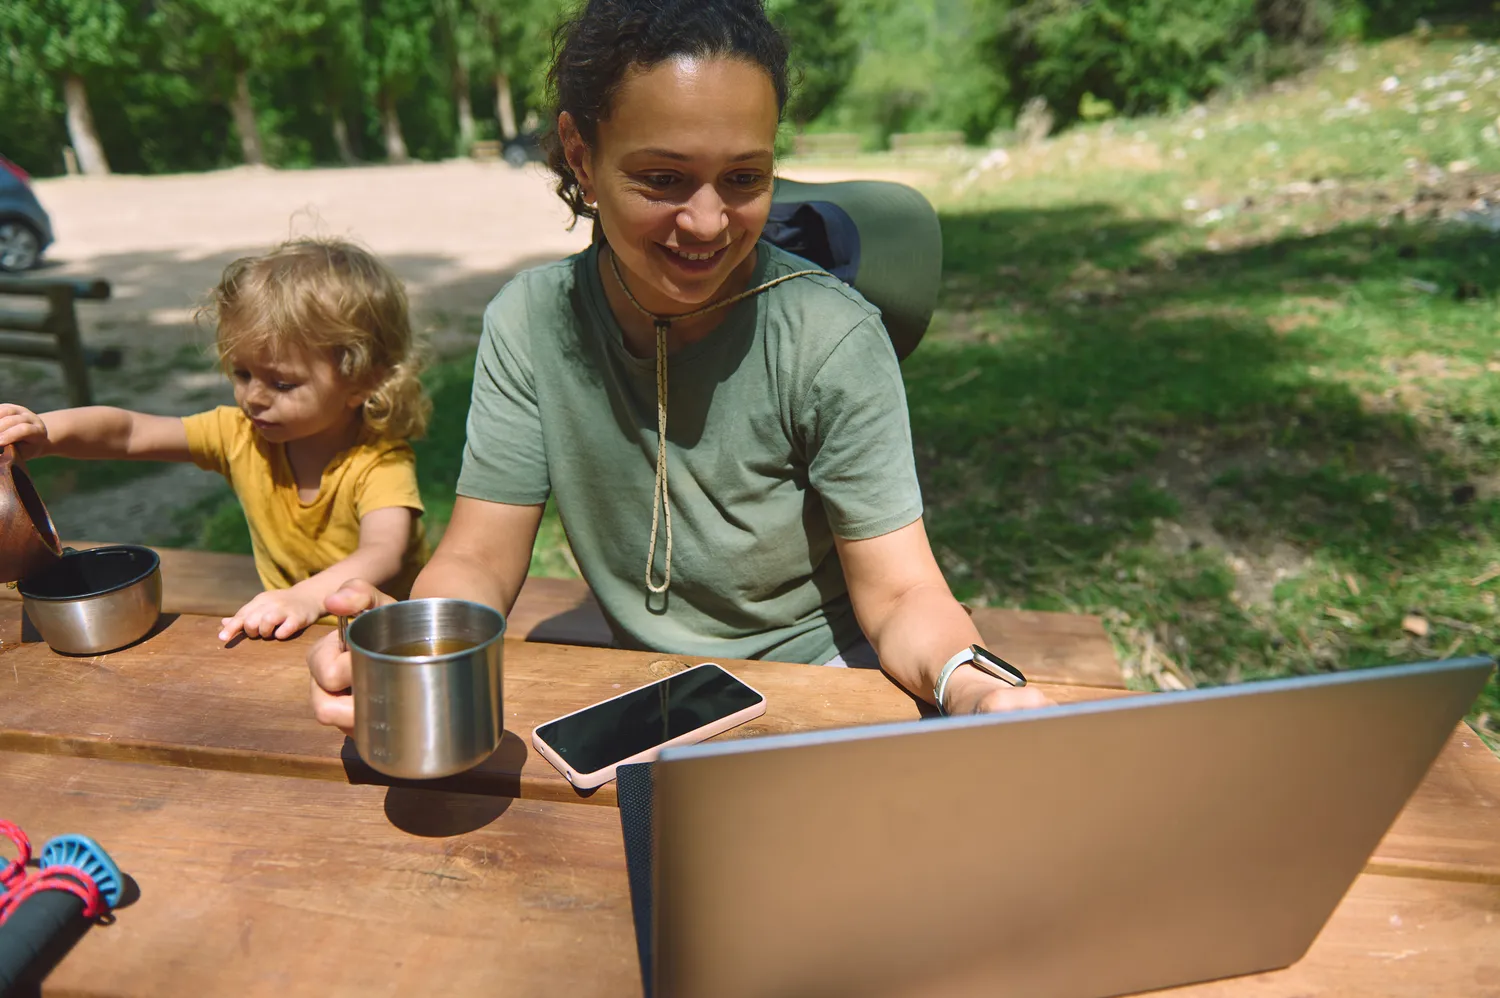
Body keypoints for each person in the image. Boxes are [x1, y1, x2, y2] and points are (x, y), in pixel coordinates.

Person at [307, 0, 1049, 728]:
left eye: (744, 179)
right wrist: (424, 645)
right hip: (648, 696)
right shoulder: (529, 324)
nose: (705, 223)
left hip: (824, 682)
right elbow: (478, 557)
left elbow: (902, 594)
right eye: (663, 179)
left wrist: (976, 688)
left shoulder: (833, 338)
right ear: (580, 155)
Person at [0, 238, 431, 642]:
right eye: (242, 374)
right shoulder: (239, 435)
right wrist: (46, 431)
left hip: (384, 638)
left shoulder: (380, 462)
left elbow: (383, 552)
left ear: (362, 381)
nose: (253, 397)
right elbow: (129, 432)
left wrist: (306, 597)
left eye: (282, 383)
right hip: (286, 627)